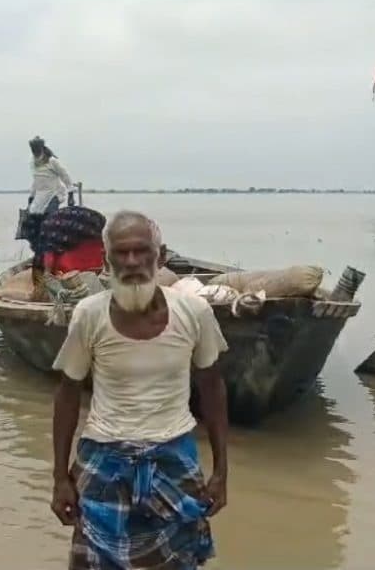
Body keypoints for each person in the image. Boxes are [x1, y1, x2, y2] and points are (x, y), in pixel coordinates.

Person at [50, 210, 230, 570]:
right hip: (104, 460)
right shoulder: (89, 314)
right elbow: (68, 394)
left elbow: (212, 387)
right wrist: (59, 477)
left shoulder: (194, 312)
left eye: (141, 251)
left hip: (173, 458)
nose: (132, 261)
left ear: (159, 257)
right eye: (121, 253)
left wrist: (221, 472)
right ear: (106, 261)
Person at [23, 137, 76, 296]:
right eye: (32, 149)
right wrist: (31, 197)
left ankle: (51, 263)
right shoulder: (33, 162)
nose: (34, 152)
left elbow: (65, 176)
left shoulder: (52, 161)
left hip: (53, 196)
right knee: (35, 231)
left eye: (36, 149)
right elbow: (36, 181)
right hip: (39, 198)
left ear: (41, 147)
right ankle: (40, 258)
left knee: (50, 230)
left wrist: (71, 193)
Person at [39, 206, 107, 278]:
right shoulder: (98, 238)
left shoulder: (52, 244)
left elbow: (47, 268)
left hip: (68, 277)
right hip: (95, 274)